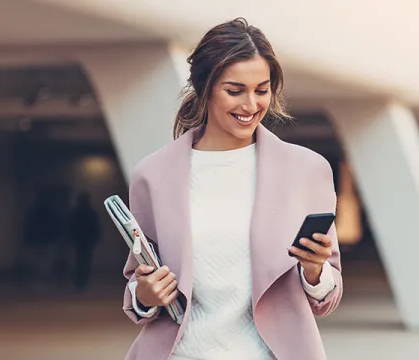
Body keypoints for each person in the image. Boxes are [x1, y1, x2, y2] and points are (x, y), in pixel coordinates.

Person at [118, 18, 343, 360]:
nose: (250, 105)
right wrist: (146, 294)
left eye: (262, 90)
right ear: (204, 87)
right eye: (235, 90)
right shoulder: (153, 175)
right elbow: (137, 286)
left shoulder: (307, 170)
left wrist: (315, 271)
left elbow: (327, 295)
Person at [68, 193, 102, 291]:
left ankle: (80, 282)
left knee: (79, 262)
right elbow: (95, 227)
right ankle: (82, 282)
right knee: (85, 262)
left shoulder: (76, 212)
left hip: (81, 241)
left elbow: (71, 226)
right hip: (86, 241)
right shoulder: (90, 212)